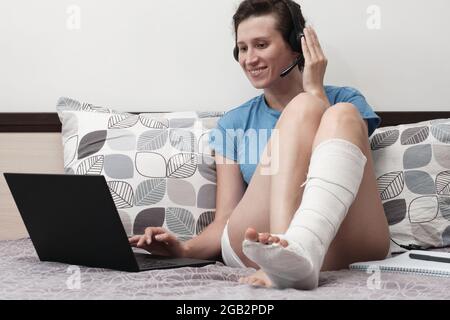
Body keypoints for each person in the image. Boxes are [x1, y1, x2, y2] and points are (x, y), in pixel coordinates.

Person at [129, 0, 390, 290]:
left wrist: (315, 91)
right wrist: (185, 250)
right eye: (242, 48)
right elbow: (225, 217)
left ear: (296, 46)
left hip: (341, 242)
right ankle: (283, 256)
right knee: (306, 106)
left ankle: (298, 248)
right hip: (255, 243)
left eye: (261, 45)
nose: (249, 58)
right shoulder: (234, 123)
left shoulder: (347, 99)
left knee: (339, 113)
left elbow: (345, 172)